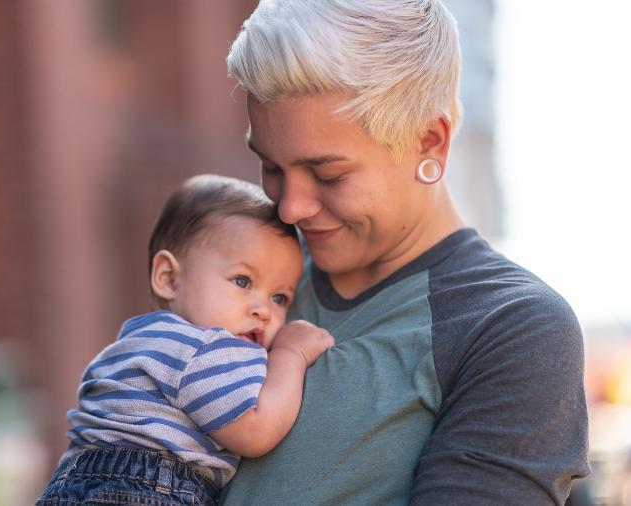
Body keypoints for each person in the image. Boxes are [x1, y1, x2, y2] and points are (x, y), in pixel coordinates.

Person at [219, 1, 589, 505]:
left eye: (329, 175)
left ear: (429, 142)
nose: (289, 209)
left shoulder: (510, 326)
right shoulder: (243, 277)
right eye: (271, 167)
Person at [36, 174, 336, 506]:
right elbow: (256, 431)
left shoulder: (136, 342)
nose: (262, 310)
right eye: (242, 280)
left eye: (280, 298)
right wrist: (290, 353)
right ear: (168, 278)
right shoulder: (200, 349)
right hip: (146, 488)